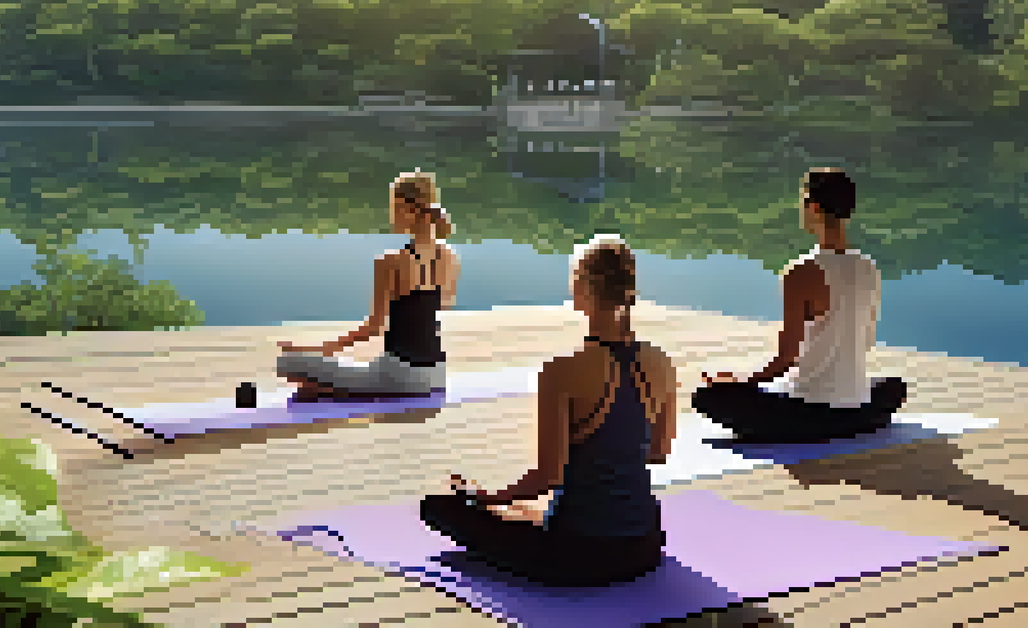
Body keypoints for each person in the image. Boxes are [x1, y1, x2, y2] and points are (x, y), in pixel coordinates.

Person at [420, 236, 676, 586]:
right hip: (645, 546)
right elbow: (659, 453)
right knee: (532, 512)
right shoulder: (662, 364)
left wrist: (487, 496)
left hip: (578, 553)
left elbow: (548, 477)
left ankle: (492, 505)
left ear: (582, 289)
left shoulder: (561, 370)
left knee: (438, 505)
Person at [693, 167, 907, 444]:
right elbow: (865, 342)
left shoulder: (801, 271)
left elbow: (786, 360)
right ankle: (853, 419)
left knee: (707, 396)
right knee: (893, 387)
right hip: (856, 407)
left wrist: (739, 380)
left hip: (807, 411)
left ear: (814, 207)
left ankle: (802, 426)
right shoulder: (869, 268)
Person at [276, 170, 460, 400]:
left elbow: (374, 328)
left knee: (287, 363)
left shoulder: (391, 261)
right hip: (437, 373)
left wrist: (317, 350)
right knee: (338, 374)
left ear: (411, 211)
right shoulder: (450, 257)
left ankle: (336, 390)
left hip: (401, 376)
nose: (392, 216)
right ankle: (338, 388)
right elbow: (444, 305)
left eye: (395, 208)